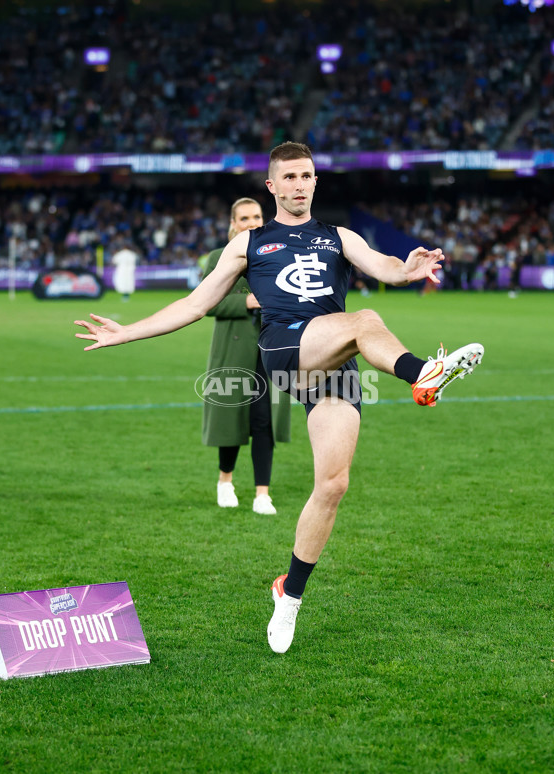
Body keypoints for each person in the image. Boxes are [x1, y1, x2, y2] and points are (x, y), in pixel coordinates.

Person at [75, 142, 484, 655]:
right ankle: (423, 373)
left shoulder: (338, 236)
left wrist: (409, 268)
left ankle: (288, 594)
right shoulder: (250, 243)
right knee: (365, 321)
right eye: (288, 177)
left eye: (306, 175)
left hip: (334, 361)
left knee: (333, 485)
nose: (298, 184)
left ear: (316, 181)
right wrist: (126, 332)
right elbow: (196, 304)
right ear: (272, 186)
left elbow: (384, 266)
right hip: (288, 347)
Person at [201, 197, 291, 515]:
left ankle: (262, 494)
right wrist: (249, 302)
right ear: (233, 223)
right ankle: (225, 482)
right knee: (231, 420)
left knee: (263, 422)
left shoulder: (279, 253)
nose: (251, 222)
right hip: (233, 350)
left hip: (270, 349)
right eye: (244, 218)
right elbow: (208, 304)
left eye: (256, 216)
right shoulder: (217, 258)